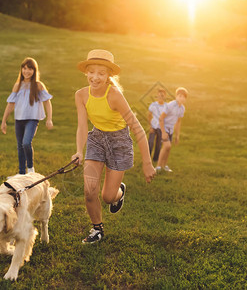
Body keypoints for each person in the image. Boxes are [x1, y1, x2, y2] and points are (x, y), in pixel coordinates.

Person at [71, 49, 156, 244]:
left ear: (109, 75)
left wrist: (147, 163)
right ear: (86, 72)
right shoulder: (81, 95)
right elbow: (82, 126)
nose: (95, 77)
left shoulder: (115, 96)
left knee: (108, 197)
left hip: (120, 143)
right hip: (97, 139)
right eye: (92, 72)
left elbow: (138, 129)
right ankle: (97, 229)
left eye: (101, 73)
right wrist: (78, 150)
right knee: (89, 191)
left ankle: (119, 192)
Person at [1, 57, 53, 175]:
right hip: (19, 119)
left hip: (32, 119)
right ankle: (21, 173)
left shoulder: (38, 85)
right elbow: (10, 104)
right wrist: (4, 121)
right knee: (20, 146)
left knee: (26, 143)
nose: (27, 71)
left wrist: (49, 119)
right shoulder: (17, 85)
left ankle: (30, 169)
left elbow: (47, 102)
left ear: (34, 71)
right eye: (24, 68)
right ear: (21, 70)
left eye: (30, 69)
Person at [155, 87, 188, 173]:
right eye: (180, 96)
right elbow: (161, 118)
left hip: (170, 130)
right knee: (167, 146)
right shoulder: (170, 105)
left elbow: (178, 122)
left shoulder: (182, 108)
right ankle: (158, 166)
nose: (182, 98)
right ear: (176, 96)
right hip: (162, 127)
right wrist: (163, 132)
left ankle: (164, 165)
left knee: (168, 148)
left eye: (184, 97)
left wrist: (177, 135)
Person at [147, 88, 167, 163]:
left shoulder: (166, 106)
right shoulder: (153, 105)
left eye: (162, 96)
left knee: (158, 145)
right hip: (153, 127)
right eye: (159, 96)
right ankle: (148, 159)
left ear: (165, 96)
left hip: (161, 128)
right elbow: (149, 115)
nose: (160, 97)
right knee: (150, 143)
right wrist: (150, 126)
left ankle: (155, 159)